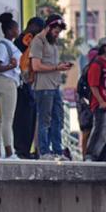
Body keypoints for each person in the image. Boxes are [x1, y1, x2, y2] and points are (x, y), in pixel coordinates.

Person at [30, 14, 72, 160]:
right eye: (55, 31)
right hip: (43, 87)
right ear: (48, 27)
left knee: (57, 119)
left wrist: (60, 67)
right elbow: (35, 66)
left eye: (59, 32)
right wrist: (56, 67)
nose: (57, 34)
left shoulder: (52, 42)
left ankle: (57, 151)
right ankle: (44, 151)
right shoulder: (38, 41)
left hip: (55, 85)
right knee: (44, 120)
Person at [13, 17, 45, 159]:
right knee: (23, 118)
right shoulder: (22, 41)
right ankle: (21, 150)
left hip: (30, 83)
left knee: (30, 118)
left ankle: (26, 149)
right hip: (22, 84)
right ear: (32, 26)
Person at [0, 13, 22, 159]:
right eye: (16, 28)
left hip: (6, 82)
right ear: (10, 30)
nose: (18, 31)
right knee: (7, 119)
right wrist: (10, 66)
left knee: (1, 119)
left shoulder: (8, 45)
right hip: (7, 82)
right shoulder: (3, 46)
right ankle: (9, 151)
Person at [85, 38, 106, 162]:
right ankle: (91, 156)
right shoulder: (96, 64)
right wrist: (100, 101)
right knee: (100, 132)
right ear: (104, 48)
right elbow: (93, 85)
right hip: (102, 104)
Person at [76, 47, 98, 158]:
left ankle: (87, 155)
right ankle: (87, 155)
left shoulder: (87, 70)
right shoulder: (89, 70)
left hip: (87, 105)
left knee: (88, 131)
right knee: (88, 131)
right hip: (87, 106)